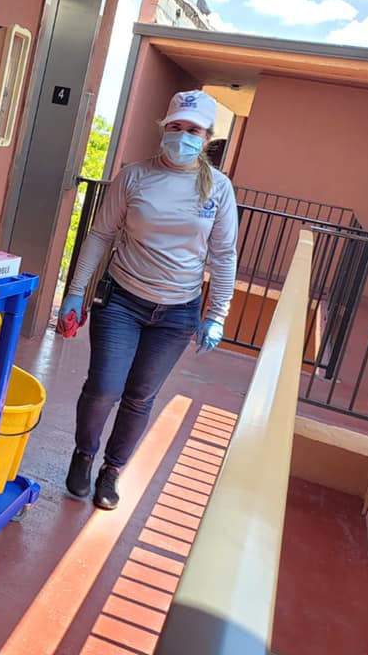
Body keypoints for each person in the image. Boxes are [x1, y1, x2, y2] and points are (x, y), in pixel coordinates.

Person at [59, 90, 238, 510]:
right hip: (122, 300)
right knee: (104, 388)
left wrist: (216, 314)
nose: (183, 136)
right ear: (164, 129)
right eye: (175, 127)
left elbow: (224, 254)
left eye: (193, 130)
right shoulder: (134, 177)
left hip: (178, 313)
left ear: (207, 137)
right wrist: (74, 293)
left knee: (140, 396)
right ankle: (84, 455)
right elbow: (100, 235)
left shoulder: (219, 190)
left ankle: (112, 470)